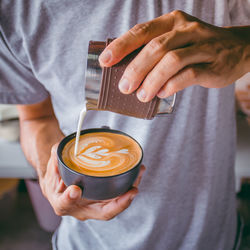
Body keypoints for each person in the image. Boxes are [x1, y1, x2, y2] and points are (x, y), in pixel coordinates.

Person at [1, 0, 250, 249]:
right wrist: (49, 178)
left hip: (213, 237)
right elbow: (36, 117)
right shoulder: (14, 10)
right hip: (86, 241)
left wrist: (245, 45)